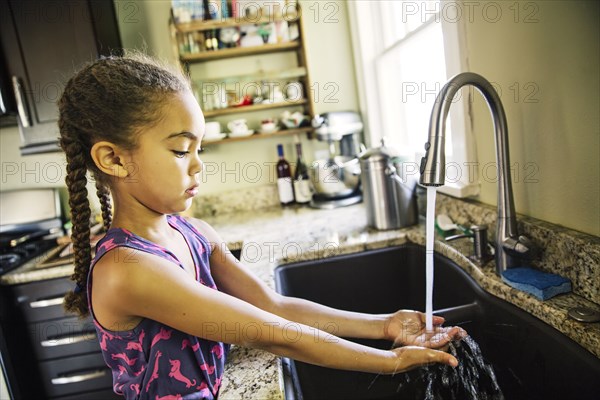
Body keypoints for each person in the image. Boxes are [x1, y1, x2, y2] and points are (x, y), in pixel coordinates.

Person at [59, 54, 466, 399]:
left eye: (200, 148)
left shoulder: (193, 232)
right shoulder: (126, 271)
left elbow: (272, 306)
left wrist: (383, 325)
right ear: (112, 159)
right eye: (181, 150)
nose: (199, 164)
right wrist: (390, 361)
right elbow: (271, 332)